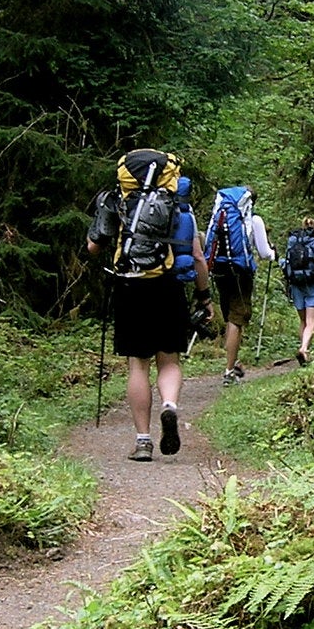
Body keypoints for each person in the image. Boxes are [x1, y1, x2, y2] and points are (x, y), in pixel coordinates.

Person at [87, 149, 210, 460]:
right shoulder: (178, 206)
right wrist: (204, 295)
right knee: (169, 360)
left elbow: (93, 246)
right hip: (167, 285)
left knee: (137, 364)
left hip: (130, 285)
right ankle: (169, 405)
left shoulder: (116, 199)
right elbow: (197, 256)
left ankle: (143, 440)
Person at [204, 184, 276, 384]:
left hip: (219, 269)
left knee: (229, 316)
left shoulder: (221, 213)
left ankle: (233, 362)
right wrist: (273, 253)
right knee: (237, 318)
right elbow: (264, 252)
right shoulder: (253, 219)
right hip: (240, 273)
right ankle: (228, 371)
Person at [281, 215, 314, 365]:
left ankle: (305, 353)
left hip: (296, 284)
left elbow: (286, 262)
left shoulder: (292, 242)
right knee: (311, 322)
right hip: (313, 285)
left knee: (302, 321)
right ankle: (303, 349)